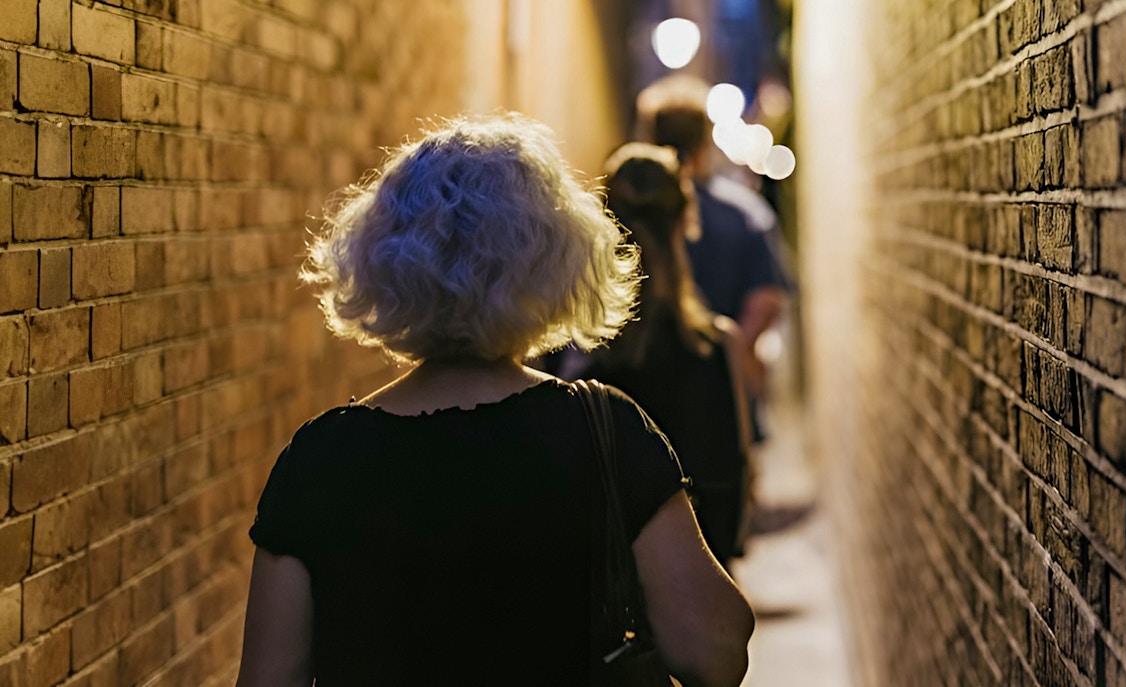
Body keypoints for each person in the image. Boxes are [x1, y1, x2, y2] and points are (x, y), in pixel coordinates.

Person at [234, 114, 754, 686]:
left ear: (380, 259)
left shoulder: (319, 460)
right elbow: (715, 652)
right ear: (555, 257)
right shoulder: (605, 429)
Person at [581, 143, 755, 570]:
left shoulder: (576, 356)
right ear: (683, 221)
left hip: (603, 614)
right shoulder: (715, 347)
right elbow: (736, 490)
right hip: (698, 593)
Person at [636, 75, 792, 437]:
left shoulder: (627, 212)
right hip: (722, 405)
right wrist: (736, 364)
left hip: (643, 405)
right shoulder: (747, 215)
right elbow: (766, 302)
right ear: (706, 137)